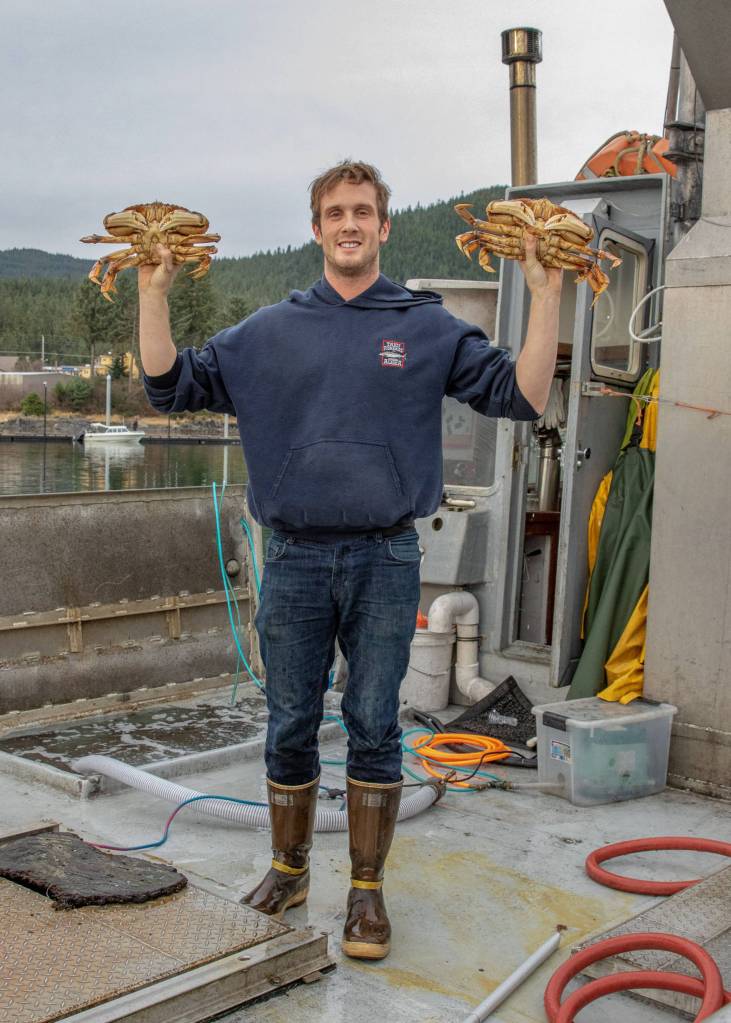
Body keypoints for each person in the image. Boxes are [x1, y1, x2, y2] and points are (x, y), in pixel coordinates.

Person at [138, 160, 562, 961]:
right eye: (335, 212)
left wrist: (545, 294)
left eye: (362, 211)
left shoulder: (426, 326)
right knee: (289, 720)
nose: (349, 224)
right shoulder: (267, 330)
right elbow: (170, 385)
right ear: (316, 228)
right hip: (293, 556)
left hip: (385, 554)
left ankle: (366, 891)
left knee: (373, 723)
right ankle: (288, 871)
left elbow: (523, 396)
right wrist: (153, 289)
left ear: (383, 226)